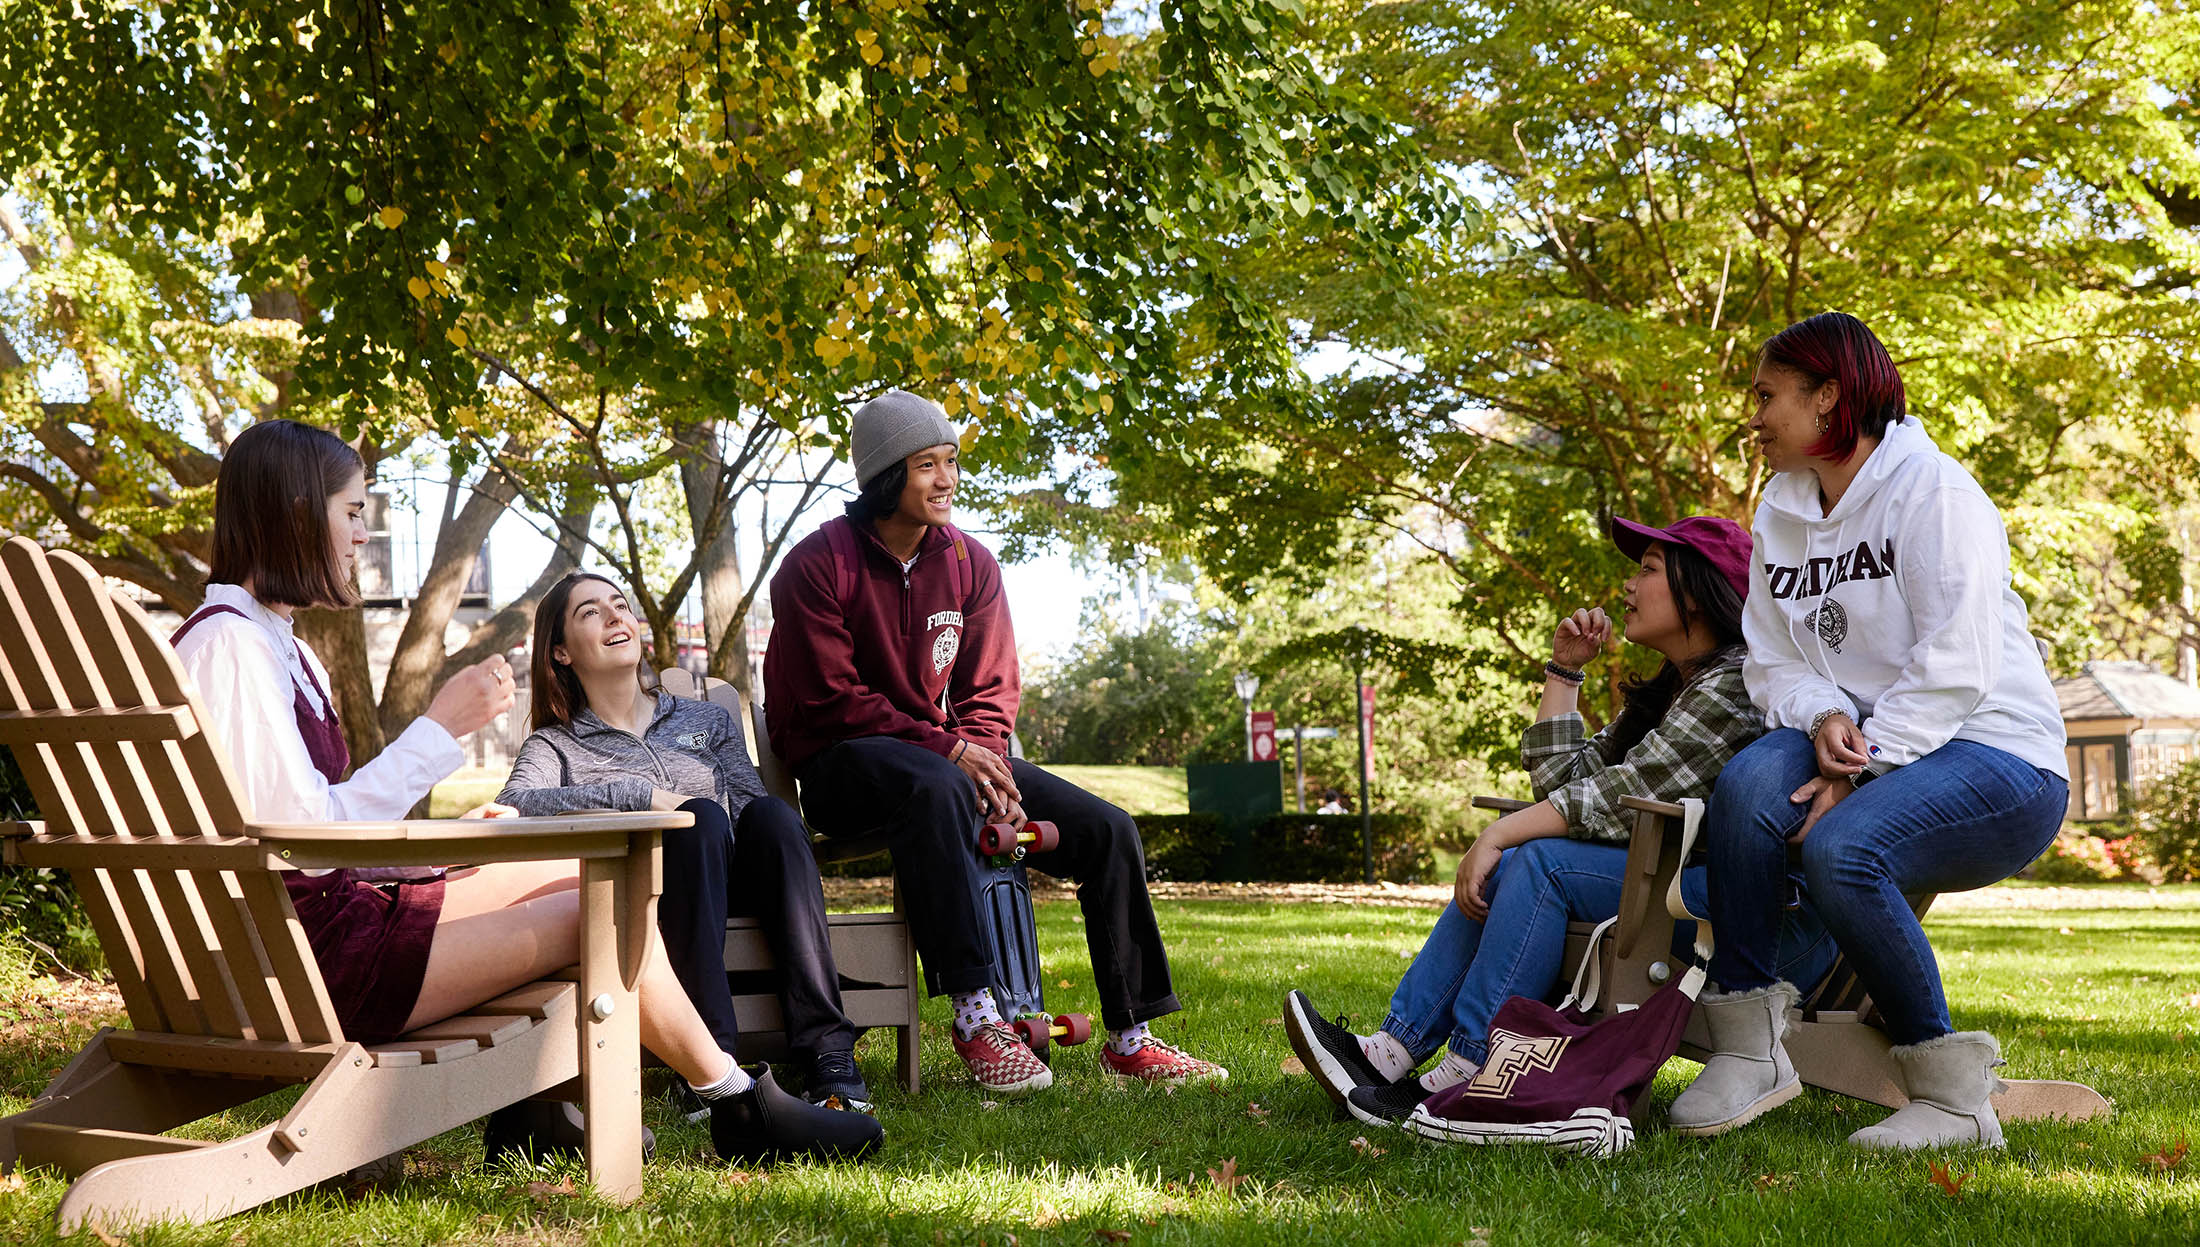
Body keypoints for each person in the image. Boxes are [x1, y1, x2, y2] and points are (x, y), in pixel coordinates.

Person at [172, 420, 877, 1166]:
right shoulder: (231, 648)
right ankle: (735, 1100)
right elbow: (300, 840)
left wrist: (436, 855)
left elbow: (298, 825)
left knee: (567, 869)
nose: (359, 535)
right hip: (320, 958)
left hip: (319, 922)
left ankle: (532, 1110)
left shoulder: (269, 642)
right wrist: (437, 732)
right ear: (294, 512)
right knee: (597, 904)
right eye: (351, 512)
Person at [1283, 514, 1835, 1128]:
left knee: (1538, 861)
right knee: (1528, 857)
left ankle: (1467, 1072)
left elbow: (1622, 795)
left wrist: (1498, 833)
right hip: (1685, 889)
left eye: (1648, 570)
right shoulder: (1676, 690)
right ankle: (1390, 1053)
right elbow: (1565, 786)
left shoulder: (1734, 685)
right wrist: (1565, 670)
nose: (1628, 587)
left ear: (1699, 591)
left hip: (1763, 919)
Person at [1667, 312, 2070, 1151]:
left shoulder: (1937, 494)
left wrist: (1865, 762)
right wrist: (1825, 716)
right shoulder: (1780, 509)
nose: (1755, 415)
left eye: (1768, 395)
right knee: (1745, 784)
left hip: (1999, 756)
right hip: (1852, 738)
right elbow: (1770, 656)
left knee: (1844, 848)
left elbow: (1957, 661)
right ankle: (1751, 1046)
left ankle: (1954, 1097)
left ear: (1830, 396)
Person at [764, 389, 1226, 1093]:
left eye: (950, 461)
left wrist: (989, 766)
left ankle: (1132, 1036)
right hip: (840, 766)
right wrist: (953, 753)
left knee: (1107, 829)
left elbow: (988, 689)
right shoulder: (817, 563)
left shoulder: (969, 562)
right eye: (926, 465)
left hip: (942, 763)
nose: (946, 478)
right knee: (938, 782)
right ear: (887, 476)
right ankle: (980, 1021)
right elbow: (832, 698)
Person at [498, 572, 874, 1120]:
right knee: (693, 821)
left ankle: (828, 1052)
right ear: (559, 652)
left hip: (741, 891)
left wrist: (709, 819)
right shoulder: (555, 745)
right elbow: (514, 804)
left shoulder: (705, 719)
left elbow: (748, 809)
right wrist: (640, 797)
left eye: (619, 605)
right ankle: (708, 1058)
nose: (613, 617)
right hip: (655, 908)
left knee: (769, 813)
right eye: (589, 612)